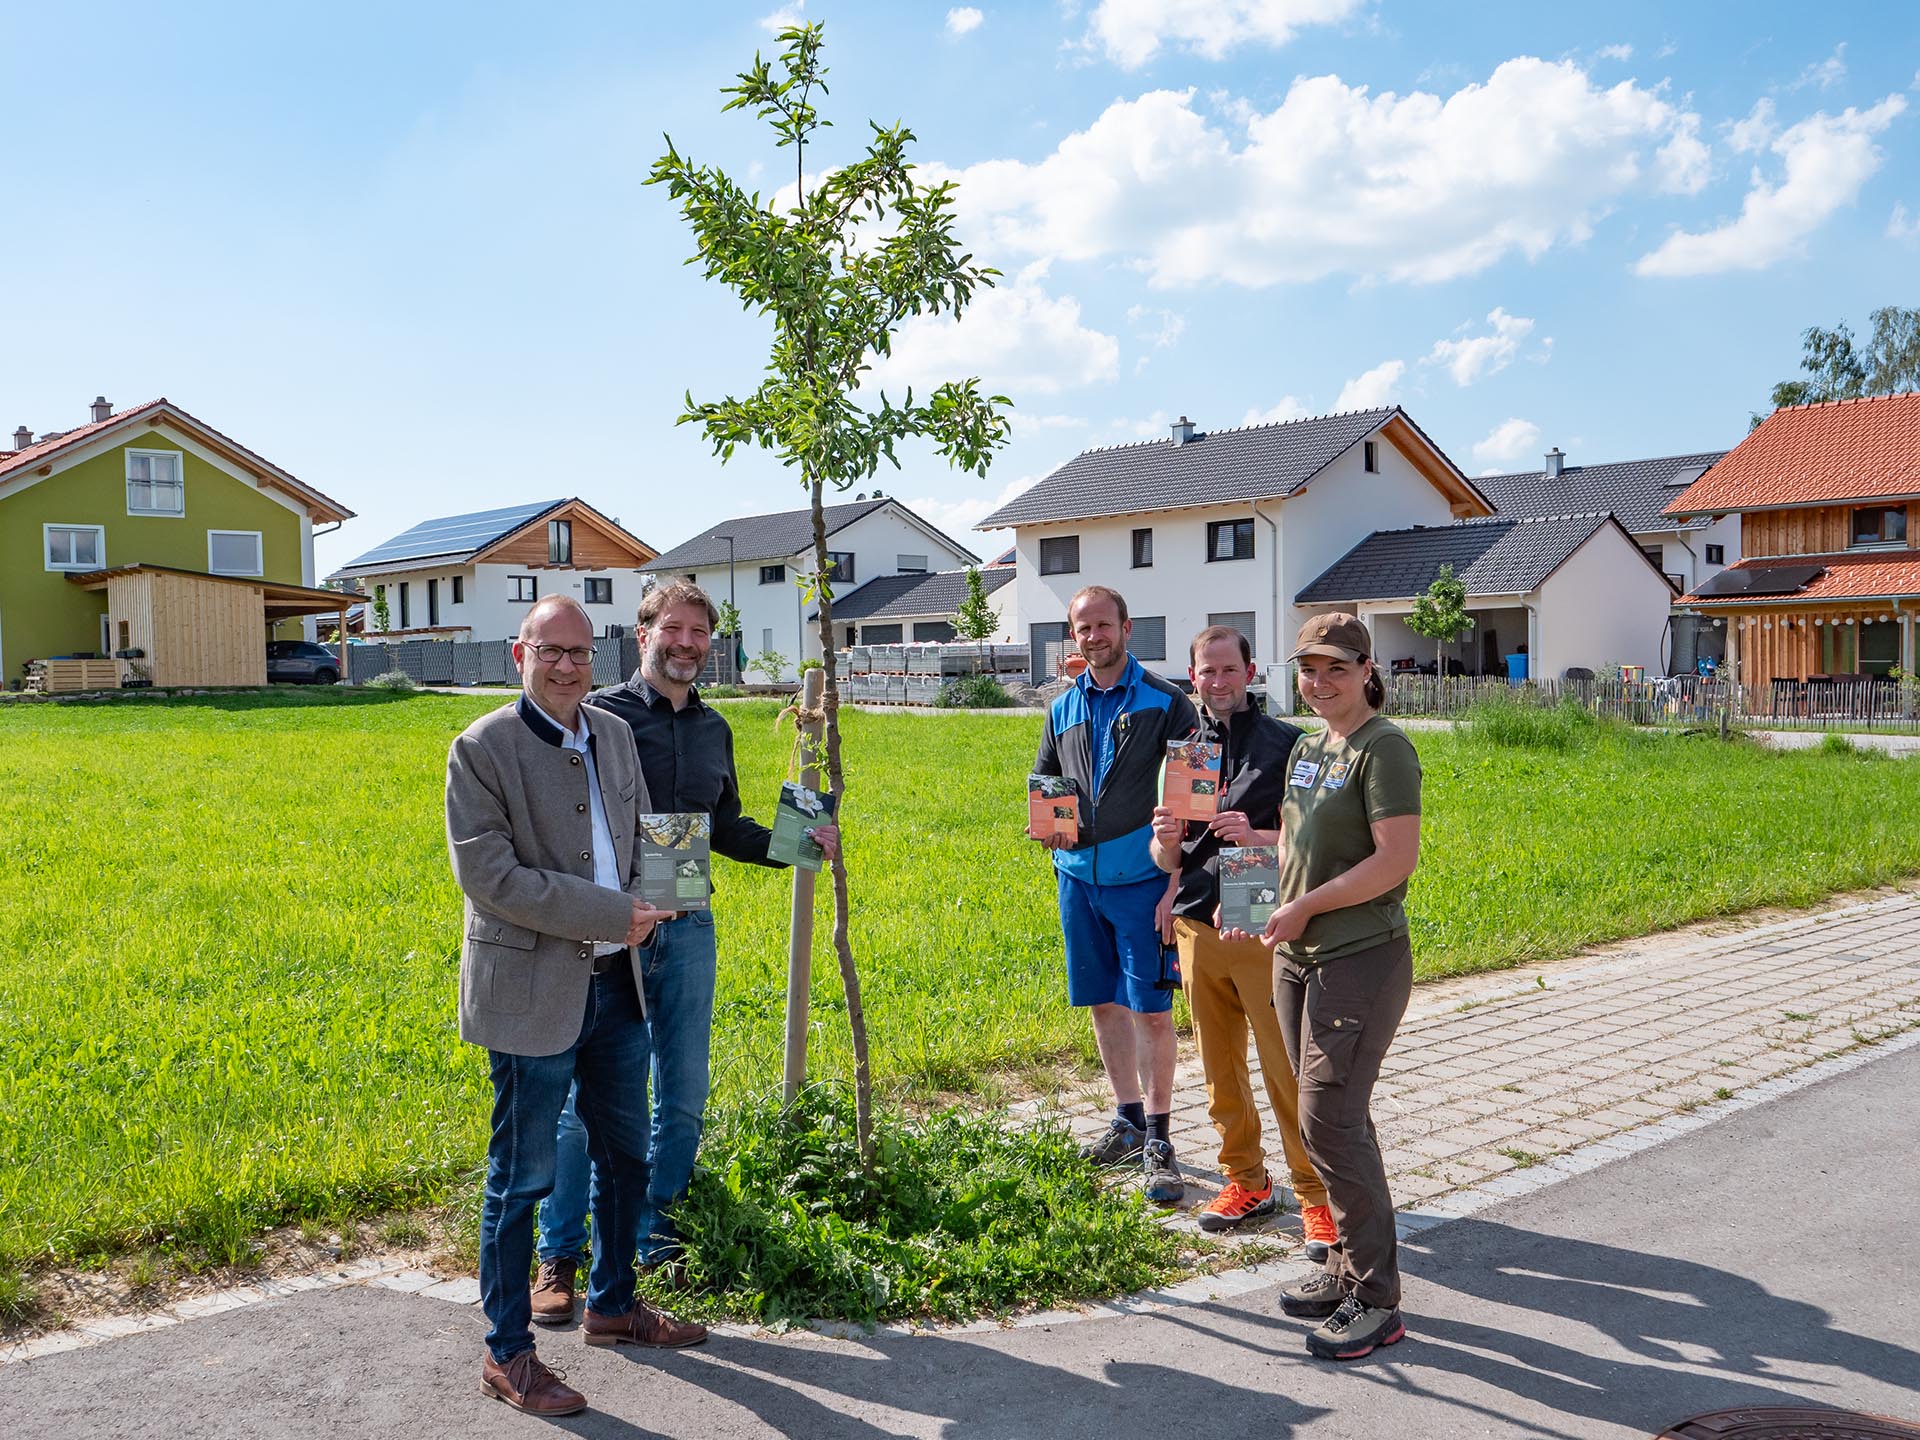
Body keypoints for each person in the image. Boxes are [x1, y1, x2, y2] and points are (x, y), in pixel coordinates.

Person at [526, 581, 839, 1323]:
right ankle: (558, 1254)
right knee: (584, 1104)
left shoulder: (714, 729)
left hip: (687, 924)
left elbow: (724, 824)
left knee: (684, 1095)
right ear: (642, 635)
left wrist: (798, 844)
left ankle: (654, 1235)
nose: (688, 643)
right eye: (675, 628)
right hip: (608, 933)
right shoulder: (598, 718)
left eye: (700, 632)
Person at [445, 595, 705, 1418]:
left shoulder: (615, 734)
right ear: (518, 657)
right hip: (532, 997)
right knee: (521, 1179)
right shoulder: (481, 747)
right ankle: (508, 1353)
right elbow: (491, 879)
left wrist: (673, 903)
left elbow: (644, 836)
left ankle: (614, 1305)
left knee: (624, 1159)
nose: (566, 665)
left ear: (598, 659)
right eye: (549, 651)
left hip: (615, 985)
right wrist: (610, 914)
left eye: (580, 653)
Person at [1236, 612, 1422, 1362]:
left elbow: (1393, 861)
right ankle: (1345, 1268)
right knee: (1328, 1120)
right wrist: (1251, 866)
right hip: (1298, 955)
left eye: (1335, 669)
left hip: (1359, 954)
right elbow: (1293, 838)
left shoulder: (1386, 749)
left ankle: (1377, 1298)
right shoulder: (1310, 746)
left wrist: (1307, 904)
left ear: (1366, 669)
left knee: (1330, 1121)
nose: (1319, 683)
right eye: (1308, 670)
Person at [1147, 626, 1335, 1255]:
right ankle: (1246, 1182)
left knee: (1285, 1068)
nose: (1218, 682)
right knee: (1220, 1068)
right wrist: (1167, 842)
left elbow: (1315, 845)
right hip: (1199, 921)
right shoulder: (1185, 752)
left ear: (1251, 672)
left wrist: (1256, 836)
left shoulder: (1287, 746)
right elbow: (1165, 853)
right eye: (1207, 671)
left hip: (1261, 917)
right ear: (1192, 675)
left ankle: (1316, 1198)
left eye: (1229, 670)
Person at [1031, 585, 1199, 1205]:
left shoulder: (1167, 704)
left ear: (1127, 628)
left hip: (1145, 886)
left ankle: (1160, 1137)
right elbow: (1049, 784)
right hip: (1078, 882)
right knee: (1103, 1004)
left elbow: (1194, 807)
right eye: (1083, 628)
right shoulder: (1062, 708)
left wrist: (1174, 886)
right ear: (1072, 636)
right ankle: (1126, 1120)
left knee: (1152, 1010)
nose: (1094, 637)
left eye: (1104, 625)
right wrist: (1046, 826)